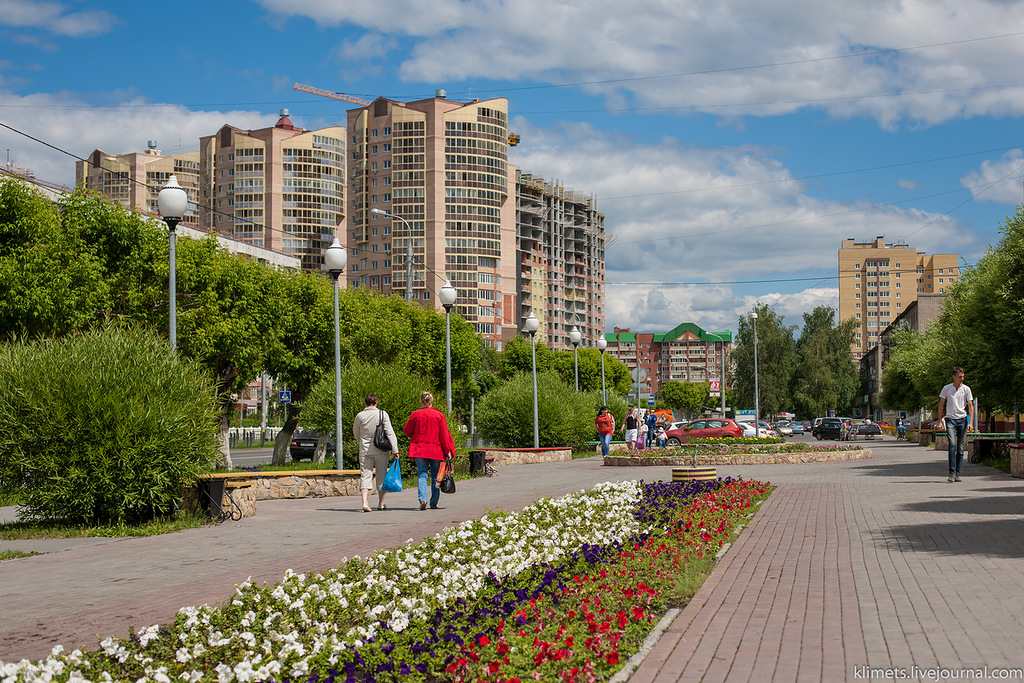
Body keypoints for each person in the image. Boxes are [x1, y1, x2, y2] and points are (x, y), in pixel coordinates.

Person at [403, 391, 456, 510]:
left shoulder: (415, 415)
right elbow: (444, 435)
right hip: (435, 450)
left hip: (420, 449)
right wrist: (448, 450)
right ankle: (434, 502)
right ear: (431, 401)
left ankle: (423, 499)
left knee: (422, 475)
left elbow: (407, 431)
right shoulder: (439, 415)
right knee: (436, 476)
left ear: (421, 401)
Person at [352, 393, 400, 512]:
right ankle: (381, 503)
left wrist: (360, 442)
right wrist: (395, 450)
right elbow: (389, 432)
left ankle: (364, 502)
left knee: (365, 475)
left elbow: (355, 432)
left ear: (365, 403)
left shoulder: (360, 416)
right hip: (381, 449)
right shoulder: (382, 414)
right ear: (376, 402)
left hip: (365, 449)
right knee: (381, 475)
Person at [937, 366, 974, 483]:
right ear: (954, 377)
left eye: (963, 377)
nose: (962, 379)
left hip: (962, 419)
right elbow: (941, 404)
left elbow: (970, 406)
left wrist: (971, 422)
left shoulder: (966, 389)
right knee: (952, 444)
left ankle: (958, 473)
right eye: (959, 377)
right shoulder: (947, 388)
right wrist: (939, 421)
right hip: (950, 420)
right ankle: (951, 472)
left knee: (961, 448)